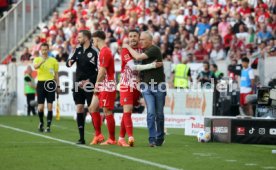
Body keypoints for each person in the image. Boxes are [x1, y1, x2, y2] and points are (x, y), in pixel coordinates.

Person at [118, 29, 163, 147]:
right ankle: (130, 137)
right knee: (127, 110)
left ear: (139, 38)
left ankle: (121, 138)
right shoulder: (125, 50)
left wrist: (141, 77)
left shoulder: (142, 50)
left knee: (128, 112)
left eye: (135, 36)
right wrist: (152, 65)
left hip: (137, 85)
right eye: (130, 36)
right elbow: (133, 67)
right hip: (126, 83)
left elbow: (140, 61)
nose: (132, 38)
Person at [66, 30, 98, 145]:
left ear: (86, 38)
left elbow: (100, 70)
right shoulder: (77, 49)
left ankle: (97, 135)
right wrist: (69, 62)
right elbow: (69, 61)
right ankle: (81, 138)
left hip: (90, 84)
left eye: (79, 37)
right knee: (79, 108)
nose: (77, 39)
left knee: (92, 109)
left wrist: (89, 80)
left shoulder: (95, 51)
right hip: (77, 84)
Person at [89, 30, 117, 145]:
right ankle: (98, 135)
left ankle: (112, 139)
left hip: (107, 85)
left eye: (93, 40)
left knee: (107, 110)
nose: (92, 42)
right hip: (102, 85)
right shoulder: (102, 51)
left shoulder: (105, 51)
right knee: (92, 108)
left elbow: (102, 71)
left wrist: (96, 85)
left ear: (96, 39)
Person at [33, 43, 60, 133]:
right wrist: (42, 61)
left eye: (46, 49)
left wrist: (58, 86)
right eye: (43, 50)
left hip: (50, 83)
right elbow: (35, 67)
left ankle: (48, 126)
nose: (44, 51)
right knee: (40, 107)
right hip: (40, 83)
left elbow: (56, 75)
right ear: (41, 50)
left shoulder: (54, 61)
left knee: (50, 106)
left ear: (48, 50)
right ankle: (41, 122)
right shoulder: (37, 59)